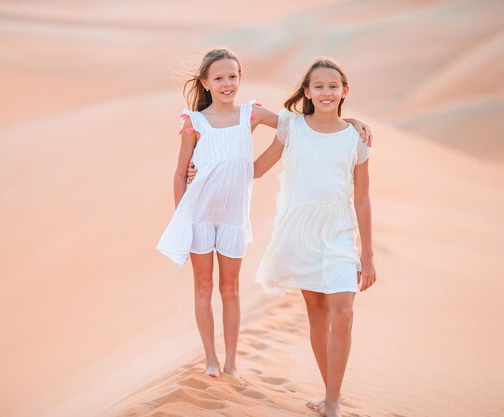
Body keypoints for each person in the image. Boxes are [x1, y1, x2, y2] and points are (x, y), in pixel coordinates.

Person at [158, 48, 372, 388]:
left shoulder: (252, 114)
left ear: (240, 79)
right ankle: (211, 360)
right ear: (205, 83)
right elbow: (178, 173)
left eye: (232, 77)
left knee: (230, 289)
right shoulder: (193, 122)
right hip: (197, 215)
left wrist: (353, 123)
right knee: (203, 286)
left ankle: (231, 364)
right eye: (219, 78)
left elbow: (299, 123)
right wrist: (180, 219)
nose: (227, 84)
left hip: (233, 218)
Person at [254, 57, 376, 417]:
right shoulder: (292, 126)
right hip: (300, 234)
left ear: (344, 91)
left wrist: (367, 256)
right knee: (318, 314)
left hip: (339, 235)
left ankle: (333, 403)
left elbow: (363, 197)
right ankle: (328, 394)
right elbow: (258, 168)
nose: (326, 92)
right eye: (318, 86)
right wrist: (211, 166)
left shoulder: (357, 137)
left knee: (344, 312)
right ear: (307, 91)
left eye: (333, 86)